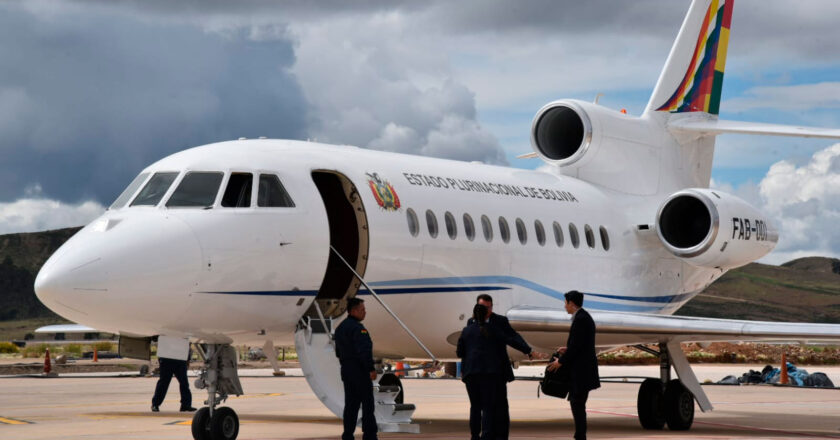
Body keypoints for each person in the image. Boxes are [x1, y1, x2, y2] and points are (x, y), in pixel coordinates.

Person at [474, 294, 535, 439]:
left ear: (492, 307)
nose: (486, 310)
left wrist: (528, 350)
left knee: (501, 406)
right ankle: (487, 435)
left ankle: (501, 435)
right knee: (486, 406)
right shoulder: (472, 323)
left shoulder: (500, 321)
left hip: (499, 371)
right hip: (482, 372)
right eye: (483, 307)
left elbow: (513, 336)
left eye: (488, 307)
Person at [547, 290, 600, 440]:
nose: (564, 306)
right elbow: (580, 344)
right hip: (581, 370)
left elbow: (577, 346)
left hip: (582, 372)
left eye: (565, 303)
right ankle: (579, 435)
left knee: (577, 404)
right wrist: (567, 349)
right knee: (577, 403)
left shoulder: (581, 319)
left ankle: (580, 436)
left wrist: (560, 362)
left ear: (571, 303)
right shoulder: (582, 317)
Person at [457, 304, 504, 440]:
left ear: (473, 314)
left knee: (475, 406)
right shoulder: (493, 330)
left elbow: (460, 352)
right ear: (487, 315)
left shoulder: (466, 331)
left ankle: (474, 435)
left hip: (471, 373)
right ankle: (487, 434)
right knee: (488, 406)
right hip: (489, 373)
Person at [334, 297, 378, 440]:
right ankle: (370, 435)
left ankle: (348, 435)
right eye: (362, 310)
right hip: (360, 371)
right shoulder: (358, 329)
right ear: (353, 311)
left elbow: (338, 352)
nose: (365, 312)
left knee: (351, 405)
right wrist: (371, 369)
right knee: (367, 405)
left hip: (346, 370)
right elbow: (364, 351)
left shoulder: (340, 328)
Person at [151, 340, 195, 412]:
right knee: (164, 383)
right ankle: (155, 404)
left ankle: (186, 405)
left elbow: (187, 344)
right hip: (168, 358)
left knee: (184, 383)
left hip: (179, 359)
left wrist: (187, 359)